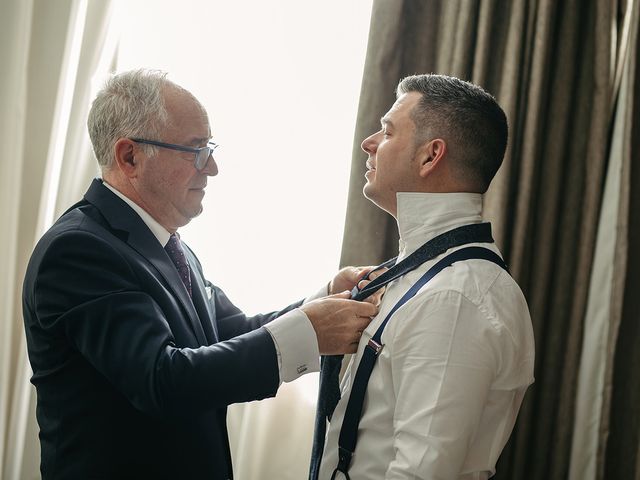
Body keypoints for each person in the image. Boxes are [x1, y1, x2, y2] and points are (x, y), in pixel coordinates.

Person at [21, 69, 380, 480]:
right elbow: (163, 380)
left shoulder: (172, 245)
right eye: (195, 151)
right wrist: (310, 332)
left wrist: (325, 298)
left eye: (209, 148)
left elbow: (229, 332)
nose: (212, 168)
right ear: (129, 157)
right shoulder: (77, 250)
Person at [314, 74, 535, 479]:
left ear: (430, 156)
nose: (369, 143)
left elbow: (419, 474)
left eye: (387, 130)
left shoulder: (455, 297)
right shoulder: (415, 274)